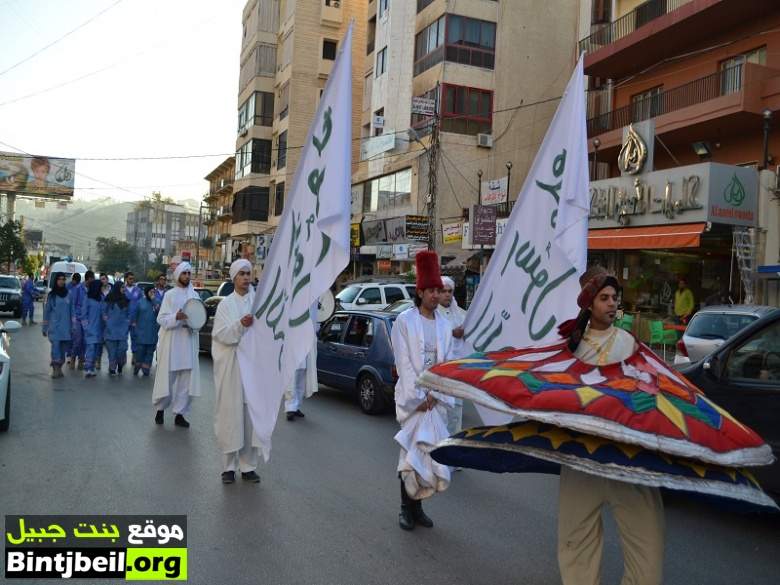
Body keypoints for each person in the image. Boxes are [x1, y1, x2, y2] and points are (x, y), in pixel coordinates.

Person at [558, 267, 664, 585]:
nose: (611, 304)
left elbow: (651, 392)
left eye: (614, 298)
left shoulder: (630, 345)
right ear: (589, 304)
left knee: (649, 555)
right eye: (603, 298)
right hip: (580, 458)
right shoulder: (568, 347)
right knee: (574, 547)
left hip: (628, 457)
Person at [391, 251, 454, 531]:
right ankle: (406, 508)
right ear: (420, 292)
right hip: (413, 400)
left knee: (427, 455)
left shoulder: (445, 324)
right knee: (409, 455)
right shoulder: (404, 321)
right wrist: (418, 398)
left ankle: (419, 508)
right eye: (430, 290)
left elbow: (448, 365)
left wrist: (436, 395)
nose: (435, 295)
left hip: (434, 399)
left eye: (438, 290)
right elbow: (403, 363)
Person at [211, 259, 262, 484]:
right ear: (234, 278)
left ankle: (248, 466)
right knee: (230, 416)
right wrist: (241, 324)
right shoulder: (225, 305)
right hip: (231, 369)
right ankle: (228, 467)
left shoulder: (259, 303)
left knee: (250, 419)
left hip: (252, 370)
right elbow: (222, 335)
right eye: (241, 274)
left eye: (248, 273)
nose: (246, 277)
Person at [152, 262, 201, 428]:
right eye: (184, 273)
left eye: (189, 273)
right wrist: (176, 317)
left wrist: (193, 324)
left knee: (185, 382)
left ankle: (180, 414)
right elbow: (161, 319)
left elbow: (199, 319)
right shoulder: (170, 295)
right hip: (172, 343)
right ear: (178, 275)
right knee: (167, 379)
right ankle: (160, 409)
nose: (187, 276)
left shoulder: (195, 295)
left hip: (188, 342)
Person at [436, 276, 468, 437]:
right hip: (439, 373)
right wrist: (451, 333)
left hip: (457, 372)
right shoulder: (432, 314)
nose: (447, 295)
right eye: (443, 291)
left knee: (456, 412)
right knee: (440, 414)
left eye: (450, 291)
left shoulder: (459, 314)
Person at [42, 273, 72, 378]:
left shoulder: (69, 294)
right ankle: (55, 369)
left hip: (66, 328)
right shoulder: (51, 295)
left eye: (63, 279)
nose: (61, 281)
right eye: (59, 279)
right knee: (55, 348)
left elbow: (72, 312)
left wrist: (74, 326)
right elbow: (47, 312)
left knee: (63, 350)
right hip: (54, 327)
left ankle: (60, 367)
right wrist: (44, 327)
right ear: (56, 281)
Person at [103, 282, 131, 376]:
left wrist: (127, 322)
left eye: (124, 287)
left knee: (122, 349)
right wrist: (106, 319)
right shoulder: (109, 299)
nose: (124, 289)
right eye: (122, 287)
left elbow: (129, 314)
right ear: (117, 288)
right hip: (111, 329)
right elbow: (103, 311)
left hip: (122, 329)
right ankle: (112, 368)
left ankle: (120, 363)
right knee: (112, 351)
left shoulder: (126, 300)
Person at [131, 287, 160, 377]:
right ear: (146, 292)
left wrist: (154, 300)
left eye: (153, 292)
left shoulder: (157, 302)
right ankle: (138, 365)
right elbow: (135, 317)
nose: (152, 293)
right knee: (140, 352)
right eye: (150, 292)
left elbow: (160, 312)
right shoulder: (140, 302)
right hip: (141, 332)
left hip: (152, 332)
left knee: (150, 352)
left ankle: (146, 369)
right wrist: (135, 329)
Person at [80, 280, 104, 378]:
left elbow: (104, 312)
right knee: (91, 348)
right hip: (90, 329)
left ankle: (92, 368)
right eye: (100, 287)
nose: (102, 289)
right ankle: (87, 368)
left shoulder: (101, 298)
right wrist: (86, 328)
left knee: (96, 350)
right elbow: (83, 315)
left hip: (99, 329)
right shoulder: (87, 298)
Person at [66, 273, 87, 370]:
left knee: (84, 341)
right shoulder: (76, 289)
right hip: (77, 319)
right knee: (77, 340)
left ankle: (81, 360)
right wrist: (73, 318)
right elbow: (72, 305)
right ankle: (73, 357)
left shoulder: (89, 290)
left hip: (86, 319)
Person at [124, 272, 143, 366]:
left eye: (133, 278)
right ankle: (123, 355)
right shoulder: (122, 290)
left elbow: (141, 304)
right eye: (130, 278)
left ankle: (134, 356)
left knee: (135, 338)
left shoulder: (138, 290)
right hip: (124, 319)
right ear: (126, 279)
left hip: (135, 319)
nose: (132, 280)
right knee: (123, 337)